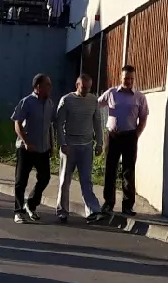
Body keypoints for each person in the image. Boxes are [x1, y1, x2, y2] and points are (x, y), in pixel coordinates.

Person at [53, 73, 105, 224]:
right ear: (77, 85)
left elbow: (97, 122)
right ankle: (62, 211)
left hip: (86, 146)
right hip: (70, 146)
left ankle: (93, 211)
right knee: (65, 180)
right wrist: (62, 143)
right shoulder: (66, 100)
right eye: (84, 88)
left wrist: (99, 143)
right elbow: (59, 123)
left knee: (86, 180)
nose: (86, 91)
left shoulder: (93, 100)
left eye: (89, 88)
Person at [99, 64, 149, 215]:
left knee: (128, 171)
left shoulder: (139, 97)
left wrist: (136, 135)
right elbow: (95, 105)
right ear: (120, 78)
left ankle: (127, 206)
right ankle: (108, 203)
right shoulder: (111, 93)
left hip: (130, 137)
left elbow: (143, 118)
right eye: (126, 78)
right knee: (110, 170)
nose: (129, 81)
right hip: (113, 136)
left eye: (131, 79)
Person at [10, 74, 56, 223]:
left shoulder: (49, 103)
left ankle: (31, 204)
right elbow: (17, 123)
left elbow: (49, 126)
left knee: (45, 177)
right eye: (47, 84)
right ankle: (18, 211)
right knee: (21, 181)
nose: (50, 87)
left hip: (43, 148)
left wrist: (52, 144)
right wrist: (25, 142)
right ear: (38, 86)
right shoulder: (27, 102)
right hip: (27, 149)